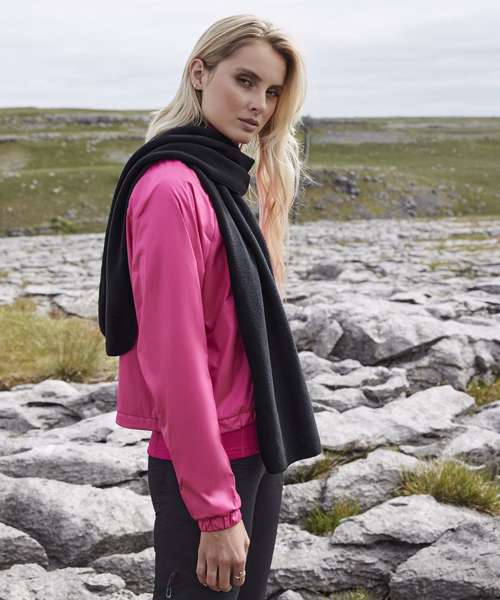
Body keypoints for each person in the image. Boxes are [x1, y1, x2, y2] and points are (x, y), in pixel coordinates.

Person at [101, 13, 319, 600]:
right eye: (245, 81)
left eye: (272, 92)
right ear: (199, 73)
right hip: (209, 463)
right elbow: (174, 359)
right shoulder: (171, 189)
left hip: (254, 442)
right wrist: (216, 510)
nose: (259, 105)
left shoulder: (217, 179)